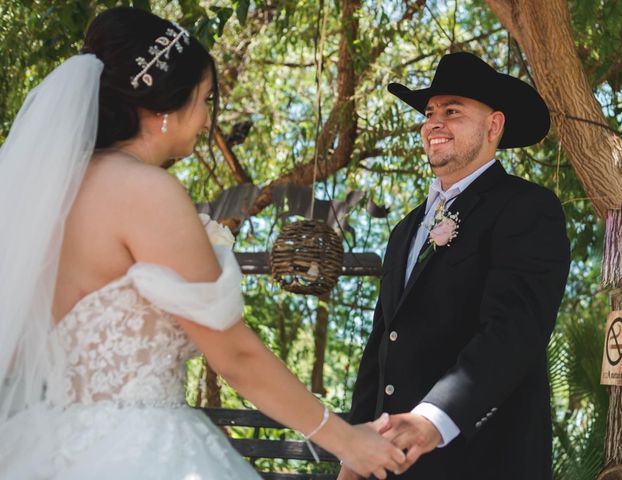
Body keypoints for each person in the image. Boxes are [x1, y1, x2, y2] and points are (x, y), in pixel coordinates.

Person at [0, 7, 405, 479]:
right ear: (161, 107)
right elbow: (233, 353)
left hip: (51, 447)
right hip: (138, 452)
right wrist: (346, 440)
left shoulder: (49, 200)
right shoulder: (145, 192)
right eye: (205, 99)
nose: (208, 117)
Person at [338, 52, 571, 480]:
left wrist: (433, 419)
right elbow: (380, 348)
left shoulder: (526, 208)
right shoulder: (405, 230)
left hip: (483, 462)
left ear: (493, 126)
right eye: (430, 113)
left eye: (452, 111)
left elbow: (514, 330)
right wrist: (356, 447)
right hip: (391, 468)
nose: (434, 123)